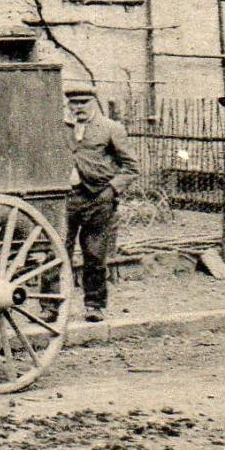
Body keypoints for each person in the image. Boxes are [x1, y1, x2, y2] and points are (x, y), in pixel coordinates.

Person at [62, 80, 140, 323]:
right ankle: (51, 306)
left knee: (94, 255)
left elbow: (131, 167)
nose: (78, 108)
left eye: (83, 102)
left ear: (94, 102)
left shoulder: (110, 128)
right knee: (55, 252)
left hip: (97, 199)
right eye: (73, 103)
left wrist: (111, 191)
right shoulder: (60, 128)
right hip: (65, 199)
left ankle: (94, 306)